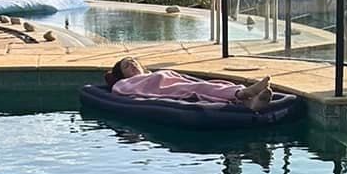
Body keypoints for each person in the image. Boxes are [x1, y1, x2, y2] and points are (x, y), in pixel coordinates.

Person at [104, 57, 276, 112]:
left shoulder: (152, 73)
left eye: (134, 61)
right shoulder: (123, 83)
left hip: (178, 83)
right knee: (198, 89)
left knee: (213, 84)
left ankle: (250, 103)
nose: (132, 65)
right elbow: (123, 91)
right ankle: (243, 93)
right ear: (122, 74)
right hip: (166, 90)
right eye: (127, 65)